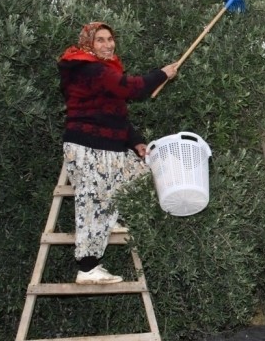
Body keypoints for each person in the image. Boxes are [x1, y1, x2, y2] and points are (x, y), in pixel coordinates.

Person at [59, 21, 179, 284]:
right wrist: (160, 74)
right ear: (89, 44)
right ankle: (87, 268)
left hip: (109, 148)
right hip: (87, 148)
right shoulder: (89, 69)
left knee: (144, 170)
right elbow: (130, 88)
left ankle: (110, 215)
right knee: (91, 202)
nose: (107, 44)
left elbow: (115, 114)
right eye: (100, 40)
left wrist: (135, 142)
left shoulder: (105, 70)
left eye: (110, 39)